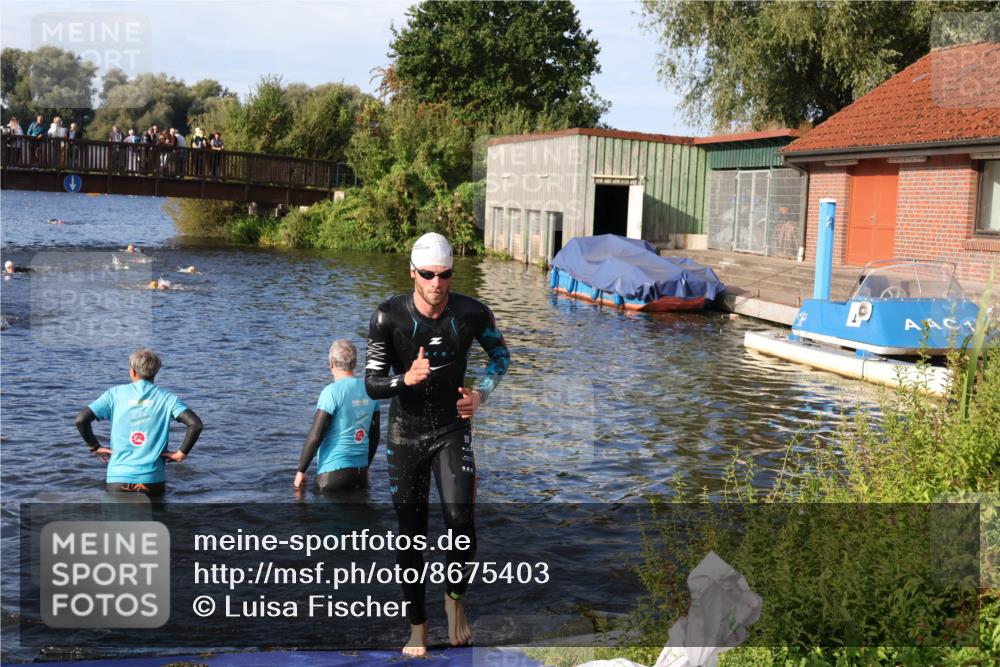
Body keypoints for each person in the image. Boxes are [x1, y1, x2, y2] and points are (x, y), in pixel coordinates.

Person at [365, 232, 510, 656]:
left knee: (460, 522)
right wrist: (404, 380)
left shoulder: (471, 313)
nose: (436, 283)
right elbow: (372, 384)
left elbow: (501, 357)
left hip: (451, 429)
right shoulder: (386, 316)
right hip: (405, 434)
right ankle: (417, 626)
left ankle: (454, 600)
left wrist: (480, 394)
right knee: (410, 537)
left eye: (444, 275)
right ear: (413, 272)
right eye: (427, 274)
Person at [75, 348, 203, 495]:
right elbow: (195, 424)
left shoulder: (114, 394)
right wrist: (181, 453)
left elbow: (81, 420)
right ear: (155, 372)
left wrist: (95, 447)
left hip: (118, 478)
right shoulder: (168, 398)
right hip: (152, 480)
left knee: (116, 517)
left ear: (133, 372)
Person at [294, 340, 380, 494]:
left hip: (332, 474)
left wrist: (301, 470)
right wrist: (365, 466)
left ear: (331, 363)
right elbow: (375, 436)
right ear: (354, 363)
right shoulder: (371, 390)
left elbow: (315, 436)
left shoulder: (331, 392)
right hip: (360, 475)